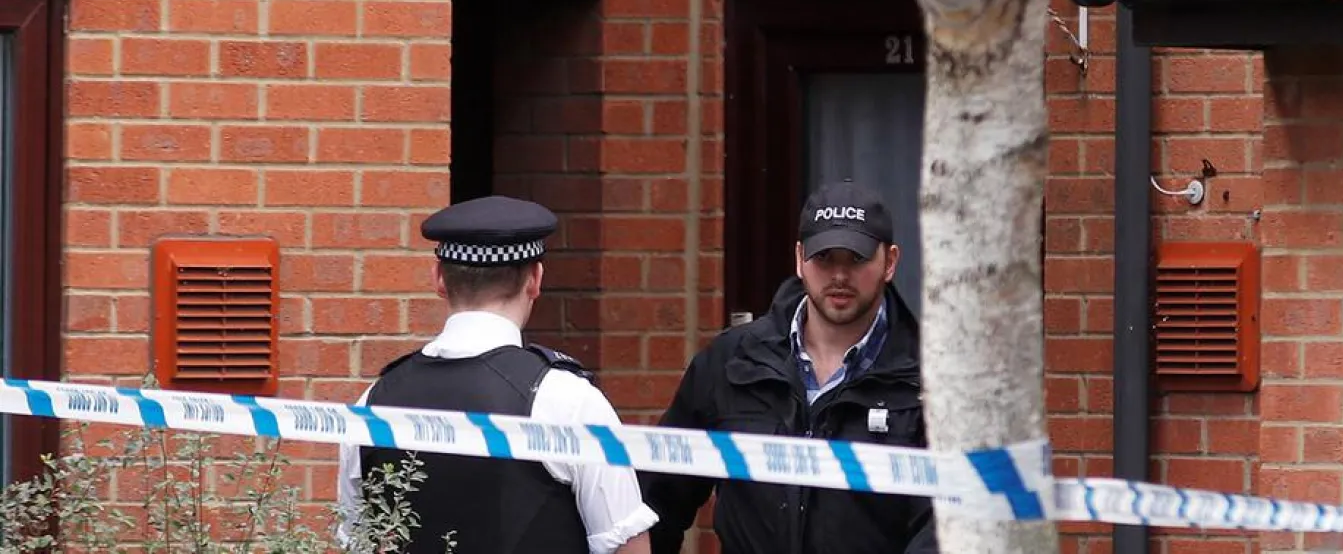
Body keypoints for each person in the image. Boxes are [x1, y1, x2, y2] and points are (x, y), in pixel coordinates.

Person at [335, 194, 657, 554]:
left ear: (439, 278)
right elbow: (627, 547)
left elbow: (359, 542)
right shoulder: (569, 401)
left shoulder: (372, 403)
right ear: (535, 279)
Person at [641, 179, 936, 554]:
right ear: (799, 258)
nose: (840, 276)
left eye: (857, 258)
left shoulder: (927, 383)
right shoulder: (732, 360)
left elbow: (941, 527)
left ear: (890, 262)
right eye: (825, 258)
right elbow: (658, 501)